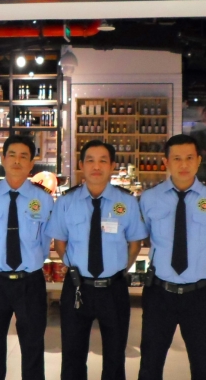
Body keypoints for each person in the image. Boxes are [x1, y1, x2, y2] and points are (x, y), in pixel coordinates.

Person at [46, 140, 146, 380]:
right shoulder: (67, 202)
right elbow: (60, 242)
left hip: (114, 288)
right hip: (77, 287)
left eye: (103, 161)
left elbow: (135, 243)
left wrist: (120, 268)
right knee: (72, 355)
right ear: (81, 165)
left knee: (115, 356)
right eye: (90, 160)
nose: (96, 166)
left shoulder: (127, 202)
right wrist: (73, 267)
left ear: (112, 166)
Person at [137, 134, 206, 380]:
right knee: (150, 365)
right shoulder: (149, 198)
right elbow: (145, 236)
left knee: (204, 366)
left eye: (189, 158)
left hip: (198, 295)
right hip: (160, 294)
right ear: (166, 162)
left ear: (198, 160)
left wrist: (204, 256)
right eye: (177, 158)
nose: (184, 164)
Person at [0, 135, 54, 380]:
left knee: (33, 346)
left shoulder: (43, 199)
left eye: (23, 157)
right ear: (3, 159)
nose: (17, 161)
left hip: (30, 281)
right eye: (12, 155)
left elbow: (45, 241)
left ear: (32, 163)